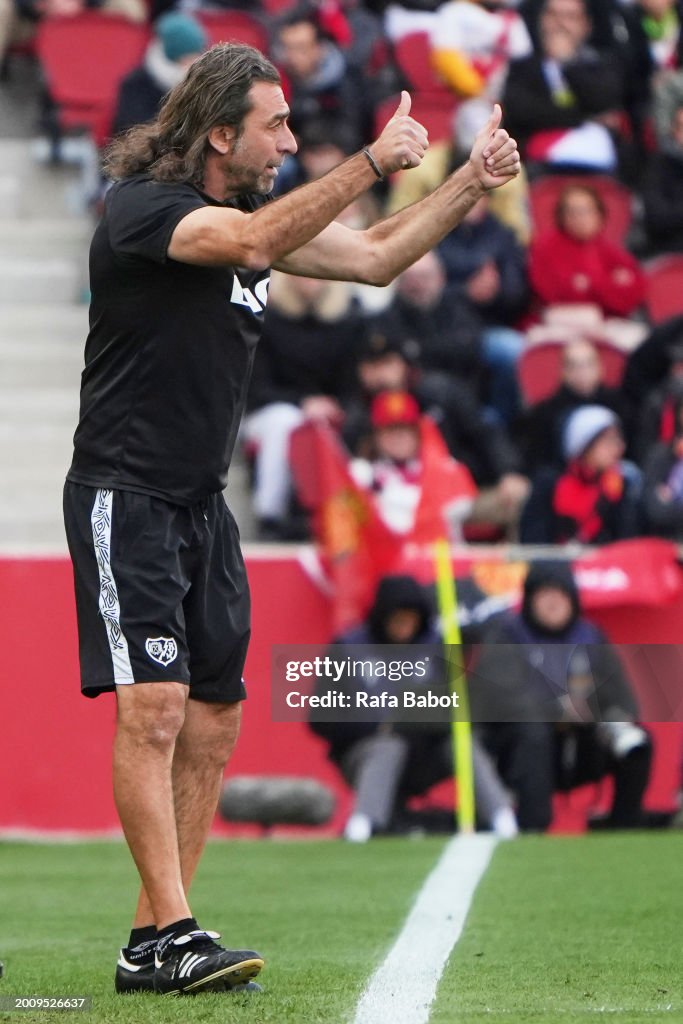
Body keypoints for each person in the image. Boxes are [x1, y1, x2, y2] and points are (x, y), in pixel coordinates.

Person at [61, 41, 520, 997]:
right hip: (126, 494)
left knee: (216, 717)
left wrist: (469, 183)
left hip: (201, 503)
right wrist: (368, 160)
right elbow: (249, 245)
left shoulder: (250, 218)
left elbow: (381, 258)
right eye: (274, 125)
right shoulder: (149, 209)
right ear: (219, 131)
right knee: (152, 711)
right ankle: (178, 929)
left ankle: (152, 940)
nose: (289, 138)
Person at [309, 574, 519, 841]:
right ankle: (362, 823)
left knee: (461, 741)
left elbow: (459, 708)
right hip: (367, 753)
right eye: (397, 617)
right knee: (389, 746)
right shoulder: (348, 649)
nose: (404, 624)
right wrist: (375, 727)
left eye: (411, 617)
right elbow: (319, 718)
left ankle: (502, 817)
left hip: (425, 752)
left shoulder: (437, 647)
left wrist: (435, 718)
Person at [472, 561, 653, 832]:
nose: (553, 602)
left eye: (560, 594)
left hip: (582, 742)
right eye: (544, 594)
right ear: (530, 598)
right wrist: (556, 710)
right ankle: (532, 827)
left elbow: (619, 695)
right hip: (522, 748)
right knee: (532, 732)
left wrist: (612, 717)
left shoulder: (590, 636)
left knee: (638, 742)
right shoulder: (507, 634)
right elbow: (500, 695)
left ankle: (623, 827)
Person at [520, 404, 642, 543]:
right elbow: (533, 540)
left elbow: (626, 542)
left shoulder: (620, 485)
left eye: (618, 440)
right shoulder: (550, 484)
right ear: (584, 445)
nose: (619, 448)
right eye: (608, 441)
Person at [529, 184, 646, 322]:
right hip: (559, 322)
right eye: (572, 212)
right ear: (561, 216)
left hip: (608, 321)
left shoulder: (609, 249)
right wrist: (610, 283)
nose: (580, 218)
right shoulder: (545, 245)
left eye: (586, 211)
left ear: (600, 214)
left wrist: (590, 283)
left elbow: (636, 290)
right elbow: (554, 294)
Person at [112, 14, 208, 138]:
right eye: (185, 59)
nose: (190, 66)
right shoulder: (135, 85)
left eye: (195, 57)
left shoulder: (204, 85)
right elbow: (130, 132)